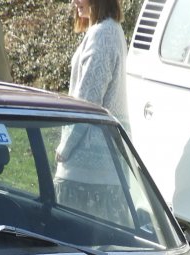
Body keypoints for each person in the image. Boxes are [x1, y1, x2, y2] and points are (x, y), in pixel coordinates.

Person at [54, 0, 128, 218]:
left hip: (89, 177)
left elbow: (88, 101)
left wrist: (64, 148)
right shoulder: (107, 30)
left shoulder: (104, 34)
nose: (73, 1)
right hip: (100, 171)